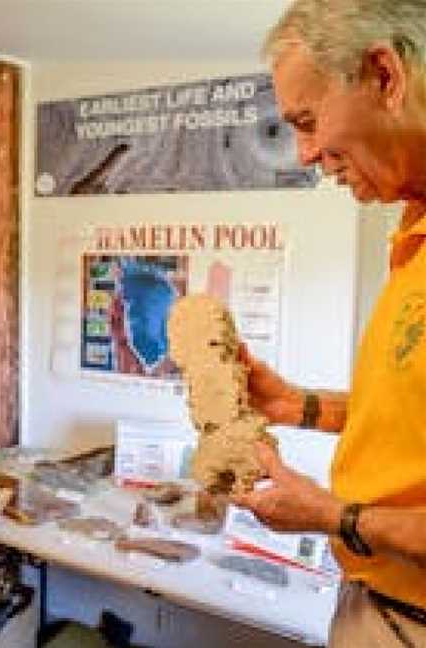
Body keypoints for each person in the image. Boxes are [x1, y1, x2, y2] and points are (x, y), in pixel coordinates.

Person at [233, 1, 426, 646]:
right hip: (374, 601)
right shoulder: (413, 233)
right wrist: (296, 405)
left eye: (309, 122)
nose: (307, 153)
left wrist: (333, 516)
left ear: (384, 75)